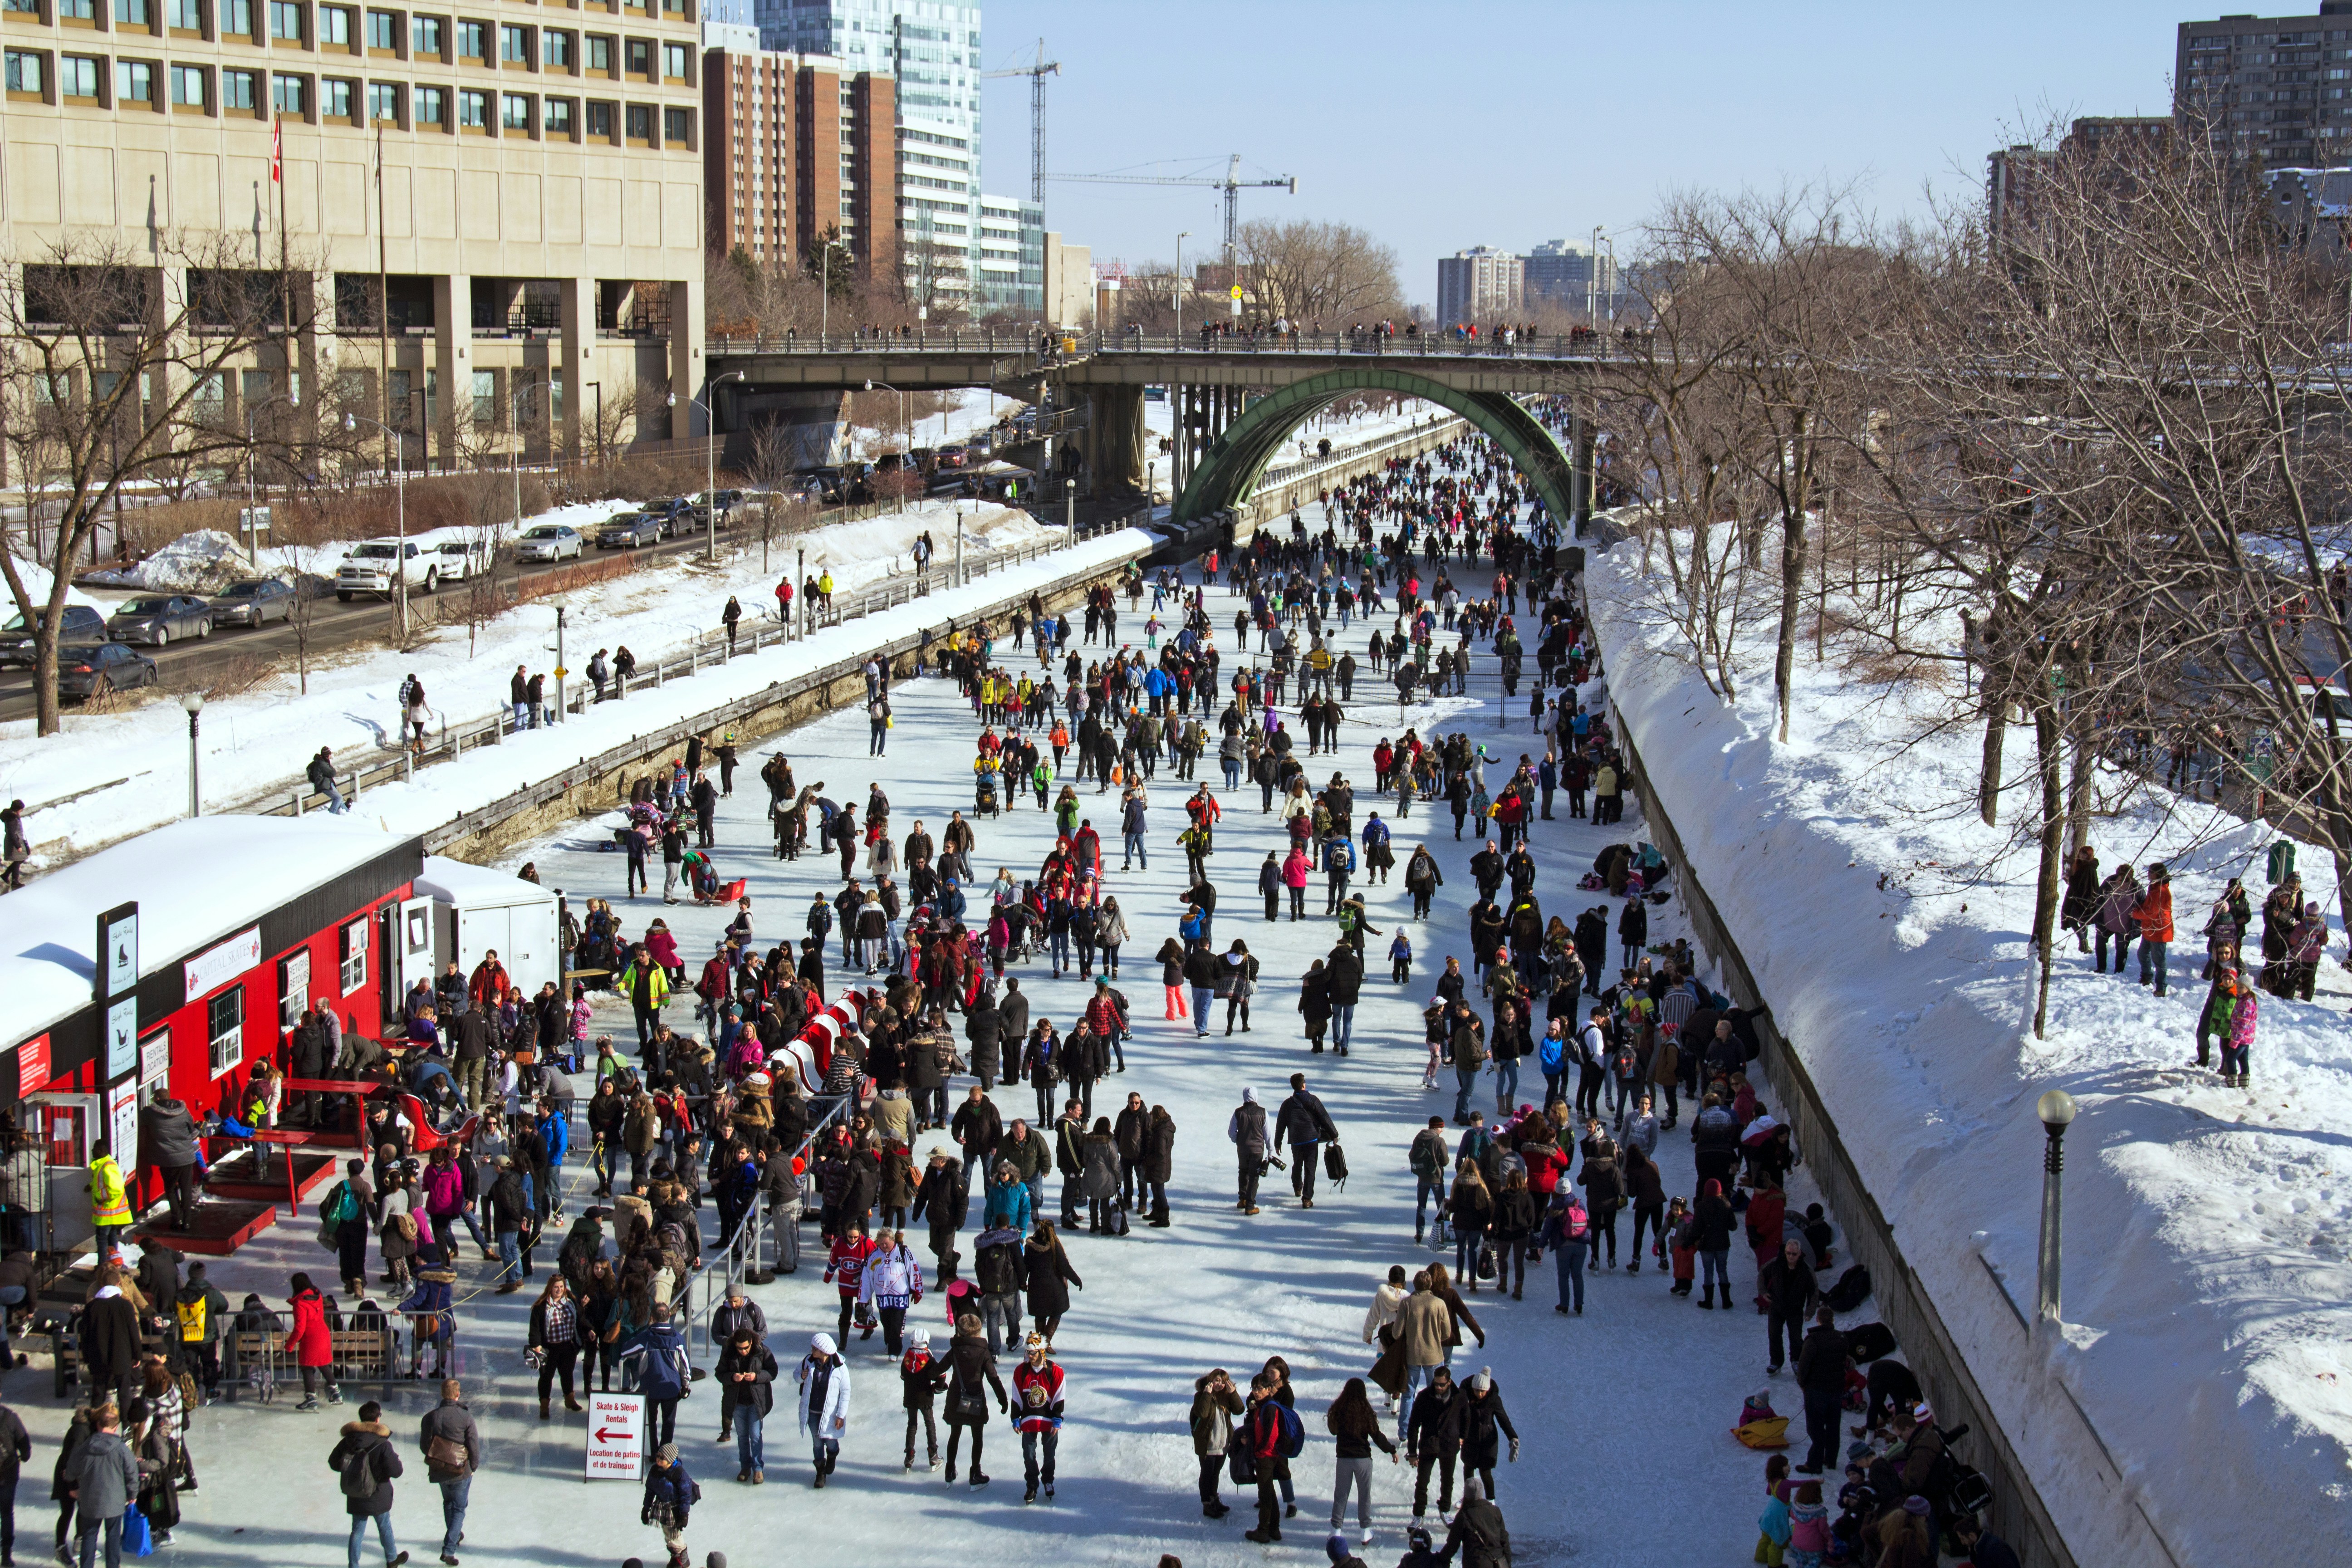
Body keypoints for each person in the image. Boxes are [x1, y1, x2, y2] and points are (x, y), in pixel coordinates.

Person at [325, 1400, 405, 1568]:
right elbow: (397, 1471)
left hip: (356, 1492)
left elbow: (333, 1462)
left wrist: (352, 1470)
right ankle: (392, 1559)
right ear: (377, 1419)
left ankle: (354, 1565)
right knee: (384, 1526)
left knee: (357, 1530)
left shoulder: (348, 1441)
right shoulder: (383, 1444)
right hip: (379, 1493)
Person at [1325, 1376, 1397, 1545]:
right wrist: (1391, 1450)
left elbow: (1333, 1431)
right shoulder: (1366, 1412)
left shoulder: (1339, 1410)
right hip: (1363, 1459)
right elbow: (1377, 1436)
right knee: (1364, 1496)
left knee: (1341, 1495)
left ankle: (1336, 1530)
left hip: (1344, 1459)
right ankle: (1365, 1531)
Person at [418, 1378, 480, 1568]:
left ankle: (455, 1534)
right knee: (459, 1509)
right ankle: (449, 1550)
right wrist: (474, 1466)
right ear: (458, 1395)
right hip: (461, 1471)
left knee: (448, 1503)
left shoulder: (430, 1417)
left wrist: (439, 1456)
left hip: (439, 1470)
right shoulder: (466, 1417)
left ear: (442, 1394)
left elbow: (424, 1446)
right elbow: (473, 1444)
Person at [942, 1313, 1009, 1488]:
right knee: (977, 1436)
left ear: (960, 1332)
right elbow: (993, 1378)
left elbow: (938, 1370)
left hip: (956, 1399)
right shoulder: (983, 1352)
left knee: (955, 1434)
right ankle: (975, 1474)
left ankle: (950, 1471)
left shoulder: (955, 1350)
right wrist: (1003, 1399)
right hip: (976, 1400)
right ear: (978, 1332)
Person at [715, 1328, 777, 1485]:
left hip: (756, 1401)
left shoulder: (762, 1351)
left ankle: (758, 1469)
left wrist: (757, 1376)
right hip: (737, 1402)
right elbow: (719, 1373)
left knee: (755, 1435)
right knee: (742, 1436)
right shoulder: (729, 1353)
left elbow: (773, 1371)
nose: (743, 1351)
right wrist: (732, 1377)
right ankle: (745, 1467)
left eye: (746, 1348)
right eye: (739, 1348)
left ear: (751, 1342)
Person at [1010, 1332, 1065, 1505]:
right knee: (1029, 1454)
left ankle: (1048, 1480)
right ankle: (1032, 1485)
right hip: (1028, 1419)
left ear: (1041, 1351)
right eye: (1028, 1352)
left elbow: (1059, 1395)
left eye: (1033, 1353)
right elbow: (1016, 1395)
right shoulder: (1021, 1371)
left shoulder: (1055, 1371)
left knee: (1049, 1454)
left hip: (1049, 1420)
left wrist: (1057, 1419)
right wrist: (1015, 1417)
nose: (1029, 1356)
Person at [1404, 1363, 1462, 1521]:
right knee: (1422, 1482)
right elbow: (1414, 1425)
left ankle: (1445, 1510)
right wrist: (1412, 1452)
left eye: (1442, 1385)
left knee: (1447, 1481)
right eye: (1435, 1384)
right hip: (1429, 1445)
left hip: (1449, 1446)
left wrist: (1462, 1437)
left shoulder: (1458, 1397)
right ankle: (1418, 1514)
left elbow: (1466, 1417)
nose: (1438, 1387)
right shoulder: (1424, 1397)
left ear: (1449, 1382)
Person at [1242, 1372, 1293, 1544]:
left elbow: (1272, 1434)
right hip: (1269, 1455)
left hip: (1267, 1456)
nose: (1256, 1392)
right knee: (1269, 1493)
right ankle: (1274, 1529)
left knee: (1265, 1495)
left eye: (1260, 1388)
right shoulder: (1263, 1406)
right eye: (1254, 1388)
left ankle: (1263, 1531)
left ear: (1268, 1389)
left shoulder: (1270, 1408)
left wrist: (1259, 1450)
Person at [796, 1332, 850, 1488]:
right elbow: (796, 1376)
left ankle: (833, 1454)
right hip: (812, 1411)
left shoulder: (840, 1367)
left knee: (830, 1442)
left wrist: (841, 1415)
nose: (812, 1350)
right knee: (817, 1443)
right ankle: (820, 1473)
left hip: (830, 1414)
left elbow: (846, 1392)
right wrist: (802, 1376)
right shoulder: (808, 1361)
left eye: (815, 1349)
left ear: (824, 1351)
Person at [1190, 1367, 1244, 1519]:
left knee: (1215, 1474)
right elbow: (1202, 1413)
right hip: (1208, 1444)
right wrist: (1207, 1395)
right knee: (1207, 1474)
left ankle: (1214, 1499)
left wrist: (1233, 1393)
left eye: (1223, 1381)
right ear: (1211, 1381)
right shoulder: (1201, 1396)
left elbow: (1240, 1410)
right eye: (1217, 1381)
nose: (1220, 1384)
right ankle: (1207, 1504)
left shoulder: (1226, 1396)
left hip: (1223, 1444)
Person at [638, 1442, 696, 1568]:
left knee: (675, 1535)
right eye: (658, 1456)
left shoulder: (680, 1474)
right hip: (662, 1508)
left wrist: (684, 1515)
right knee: (668, 1534)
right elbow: (650, 1491)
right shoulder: (655, 1471)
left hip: (675, 1511)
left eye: (662, 1458)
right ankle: (676, 1556)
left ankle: (682, 1559)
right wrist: (646, 1509)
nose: (658, 1460)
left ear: (670, 1459)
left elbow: (686, 1496)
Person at [1441, 1475, 1512, 1568]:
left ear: (1466, 1494)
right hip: (1499, 1563)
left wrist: (1439, 1559)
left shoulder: (1464, 1516)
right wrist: (1508, 1563)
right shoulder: (1495, 1511)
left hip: (1476, 1564)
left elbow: (1452, 1546)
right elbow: (1504, 1540)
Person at [1229, 1087, 1269, 1216]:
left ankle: (1243, 1200)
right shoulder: (1263, 1112)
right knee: (1254, 1176)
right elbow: (1267, 1134)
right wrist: (1271, 1150)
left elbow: (1231, 1132)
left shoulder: (1238, 1112)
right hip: (1257, 1150)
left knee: (1243, 1171)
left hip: (1243, 1148)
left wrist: (1237, 1140)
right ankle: (1250, 1206)